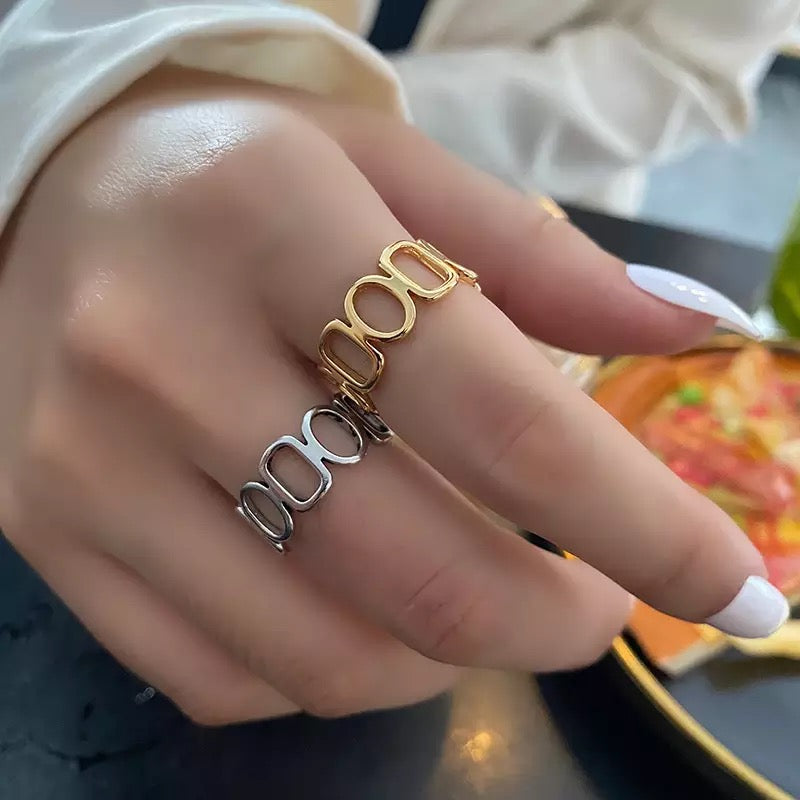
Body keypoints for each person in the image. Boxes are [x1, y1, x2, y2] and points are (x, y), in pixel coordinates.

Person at [0, 1, 793, 727]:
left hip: (531, 238)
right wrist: (67, 113)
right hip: (112, 281)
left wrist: (307, 102)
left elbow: (686, 71)